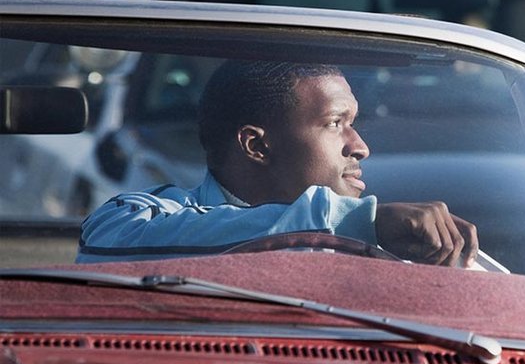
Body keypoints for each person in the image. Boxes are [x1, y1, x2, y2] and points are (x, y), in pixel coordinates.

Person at [77, 59, 478, 267]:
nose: (360, 147)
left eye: (352, 124)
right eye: (335, 124)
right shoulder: (141, 217)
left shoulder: (387, 245)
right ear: (256, 145)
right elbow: (107, 244)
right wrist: (355, 223)